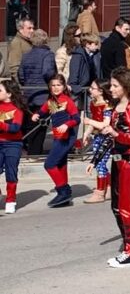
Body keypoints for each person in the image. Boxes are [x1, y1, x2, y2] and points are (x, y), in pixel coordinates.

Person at [101, 67, 130, 268]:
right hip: (117, 160)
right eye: (111, 85)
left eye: (115, 85)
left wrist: (116, 134)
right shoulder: (118, 106)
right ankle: (128, 245)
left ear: (126, 86)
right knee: (116, 207)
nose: (111, 88)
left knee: (126, 207)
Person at [31, 74, 80, 208]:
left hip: (66, 137)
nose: (56, 88)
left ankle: (63, 190)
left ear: (64, 87)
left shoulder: (67, 101)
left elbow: (76, 119)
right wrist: (36, 115)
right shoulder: (51, 101)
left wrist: (67, 124)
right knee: (60, 164)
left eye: (58, 85)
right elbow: (42, 111)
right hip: (58, 136)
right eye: (53, 85)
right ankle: (65, 193)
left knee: (49, 164)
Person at [19, 29, 56, 155]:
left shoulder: (26, 55)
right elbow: (48, 72)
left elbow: (21, 75)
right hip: (43, 94)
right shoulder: (48, 54)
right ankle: (36, 153)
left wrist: (28, 84)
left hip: (29, 95)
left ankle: (30, 150)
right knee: (41, 125)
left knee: (31, 124)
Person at [82, 79, 114, 204]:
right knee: (101, 164)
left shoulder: (107, 105)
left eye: (93, 88)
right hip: (97, 137)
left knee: (99, 163)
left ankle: (100, 191)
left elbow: (105, 124)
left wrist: (89, 122)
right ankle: (109, 187)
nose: (90, 90)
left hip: (107, 138)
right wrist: (86, 133)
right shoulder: (94, 103)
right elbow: (94, 120)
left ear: (101, 91)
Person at [0, 80, 26, 214]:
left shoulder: (17, 109)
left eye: (0, 91)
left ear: (9, 94)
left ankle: (10, 200)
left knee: (11, 172)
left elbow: (15, 128)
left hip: (13, 144)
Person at [68, 33, 101, 98]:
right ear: (87, 45)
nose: (97, 47)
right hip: (80, 89)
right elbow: (74, 73)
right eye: (95, 44)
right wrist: (76, 88)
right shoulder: (78, 56)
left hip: (90, 89)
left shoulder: (95, 55)